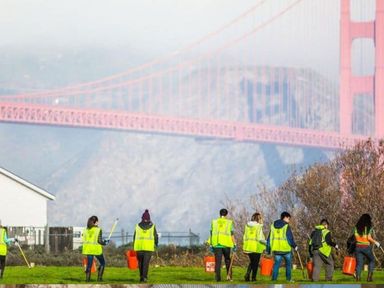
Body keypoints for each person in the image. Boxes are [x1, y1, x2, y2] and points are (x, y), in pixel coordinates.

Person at [266, 211, 297, 282]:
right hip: (286, 249)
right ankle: (288, 279)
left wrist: (268, 249)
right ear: (285, 217)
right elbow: (290, 238)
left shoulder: (273, 225)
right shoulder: (286, 226)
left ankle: (274, 279)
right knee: (288, 265)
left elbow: (269, 238)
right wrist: (295, 246)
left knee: (276, 265)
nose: (289, 221)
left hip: (276, 249)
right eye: (289, 219)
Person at [209, 208, 236, 282]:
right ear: (226, 214)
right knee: (227, 260)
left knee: (218, 262)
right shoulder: (229, 222)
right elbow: (231, 234)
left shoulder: (214, 222)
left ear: (219, 214)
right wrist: (235, 244)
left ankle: (218, 278)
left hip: (217, 244)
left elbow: (211, 234)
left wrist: (211, 244)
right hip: (226, 245)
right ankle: (229, 277)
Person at [133, 209, 158, 283]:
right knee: (145, 263)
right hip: (148, 248)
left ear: (142, 218)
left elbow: (134, 237)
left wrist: (134, 244)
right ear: (149, 218)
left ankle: (141, 277)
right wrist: (156, 244)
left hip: (139, 248)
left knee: (140, 263)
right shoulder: (152, 226)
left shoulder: (137, 226)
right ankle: (144, 278)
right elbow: (155, 236)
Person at [82, 215, 109, 282]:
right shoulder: (98, 230)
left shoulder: (85, 230)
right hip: (96, 250)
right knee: (102, 263)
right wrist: (105, 242)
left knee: (89, 265)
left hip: (88, 249)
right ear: (96, 222)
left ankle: (87, 280)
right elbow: (99, 241)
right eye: (98, 221)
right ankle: (99, 278)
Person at [353, 213, 380, 282]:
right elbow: (369, 238)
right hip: (366, 247)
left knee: (359, 263)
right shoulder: (368, 228)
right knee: (372, 260)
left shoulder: (356, 228)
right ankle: (369, 278)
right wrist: (376, 242)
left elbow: (355, 238)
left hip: (358, 247)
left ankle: (358, 278)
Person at [242, 212, 266, 282]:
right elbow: (260, 238)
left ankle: (247, 274)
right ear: (258, 219)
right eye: (261, 218)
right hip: (256, 247)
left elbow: (244, 236)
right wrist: (267, 243)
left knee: (252, 262)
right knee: (255, 263)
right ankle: (253, 278)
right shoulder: (259, 226)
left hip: (248, 246)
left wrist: (244, 246)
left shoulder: (247, 226)